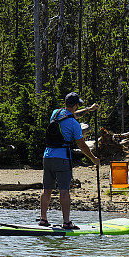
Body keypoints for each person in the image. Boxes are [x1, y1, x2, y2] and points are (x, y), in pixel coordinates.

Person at [39, 92, 100, 229]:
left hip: (47, 156)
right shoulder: (74, 124)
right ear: (76, 105)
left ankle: (43, 219)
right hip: (62, 159)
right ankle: (66, 222)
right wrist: (93, 158)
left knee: (47, 188)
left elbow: (71, 114)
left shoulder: (55, 113)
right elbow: (82, 145)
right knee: (64, 190)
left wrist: (89, 110)